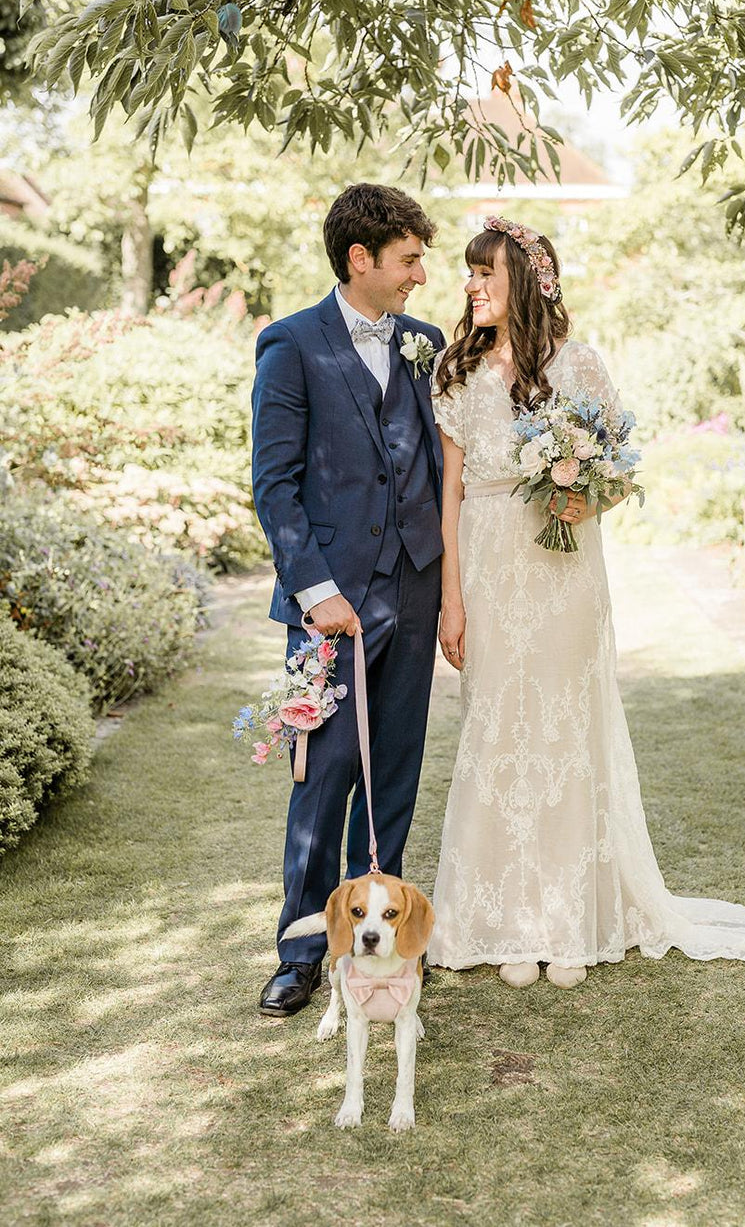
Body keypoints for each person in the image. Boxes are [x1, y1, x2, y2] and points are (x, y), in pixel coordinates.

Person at [428, 215, 745, 988]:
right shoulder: (455, 374)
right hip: (491, 571)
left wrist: (583, 502)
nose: (473, 285)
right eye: (469, 272)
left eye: (487, 272)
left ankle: (565, 922)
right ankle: (504, 921)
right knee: (497, 732)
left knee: (564, 734)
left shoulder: (580, 364)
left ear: (527, 281)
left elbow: (621, 468)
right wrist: (450, 600)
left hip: (562, 575)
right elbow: (450, 493)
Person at [251, 183, 445, 1015]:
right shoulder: (290, 345)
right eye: (408, 260)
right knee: (323, 778)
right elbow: (275, 485)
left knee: (394, 774)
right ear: (359, 258)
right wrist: (317, 592)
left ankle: (386, 942)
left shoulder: (425, 344)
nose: (421, 278)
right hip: (331, 606)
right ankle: (301, 950)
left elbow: (443, 466)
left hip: (416, 585)